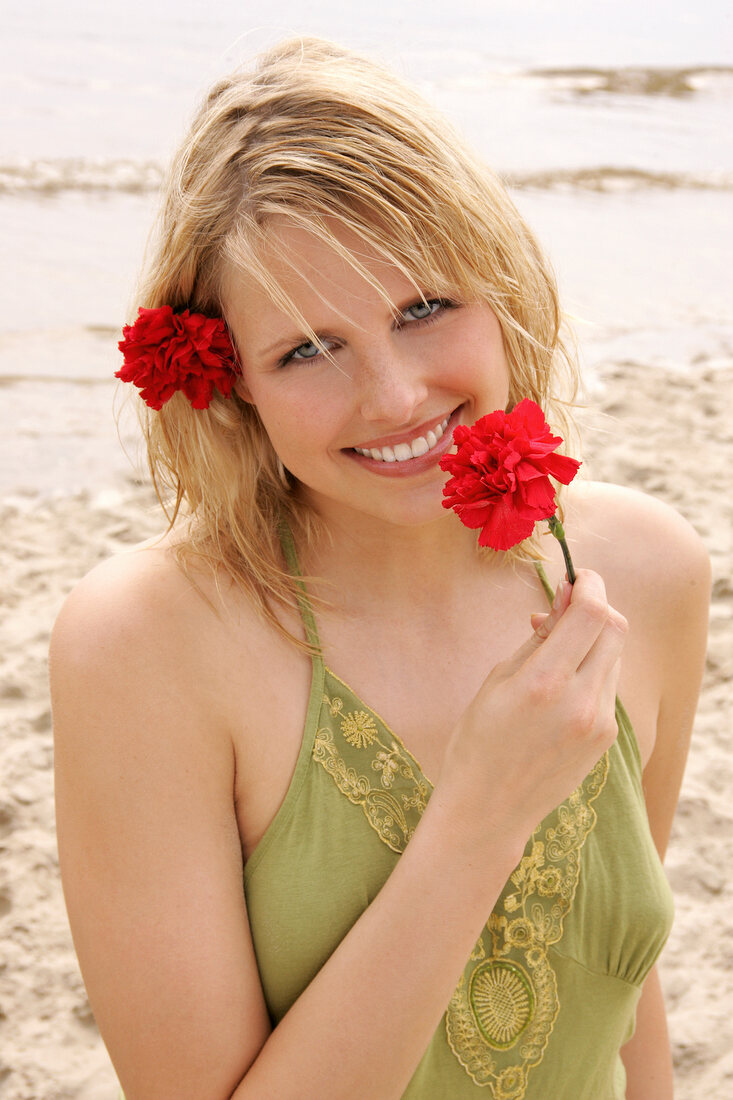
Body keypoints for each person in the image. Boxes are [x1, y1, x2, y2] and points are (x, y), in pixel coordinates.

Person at [50, 36, 710, 1100]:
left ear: (501, 288)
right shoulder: (146, 645)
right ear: (231, 385)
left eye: (423, 309)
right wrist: (483, 814)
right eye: (307, 349)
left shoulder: (643, 567)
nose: (397, 396)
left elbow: (622, 980)